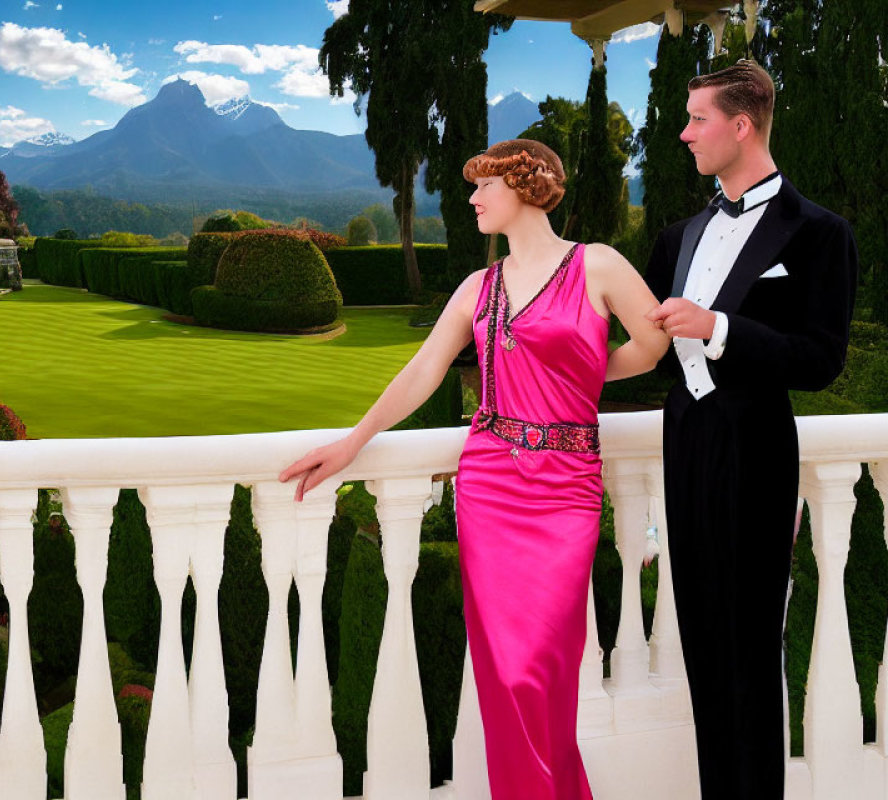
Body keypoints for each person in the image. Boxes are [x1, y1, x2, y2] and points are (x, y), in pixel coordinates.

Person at [280, 138, 669, 799]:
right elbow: (422, 372)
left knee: (541, 670)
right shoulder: (477, 287)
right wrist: (354, 442)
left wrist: (585, 374)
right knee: (505, 673)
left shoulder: (598, 266)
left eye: (484, 186)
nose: (472, 199)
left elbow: (653, 342)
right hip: (491, 484)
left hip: (570, 484)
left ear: (524, 186)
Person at [644, 60, 857, 799]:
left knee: (749, 645)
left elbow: (821, 359)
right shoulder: (679, 237)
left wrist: (721, 328)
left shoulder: (819, 233)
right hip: (685, 443)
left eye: (698, 118)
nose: (684, 132)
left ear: (743, 124)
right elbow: (646, 350)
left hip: (758, 449)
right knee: (701, 640)